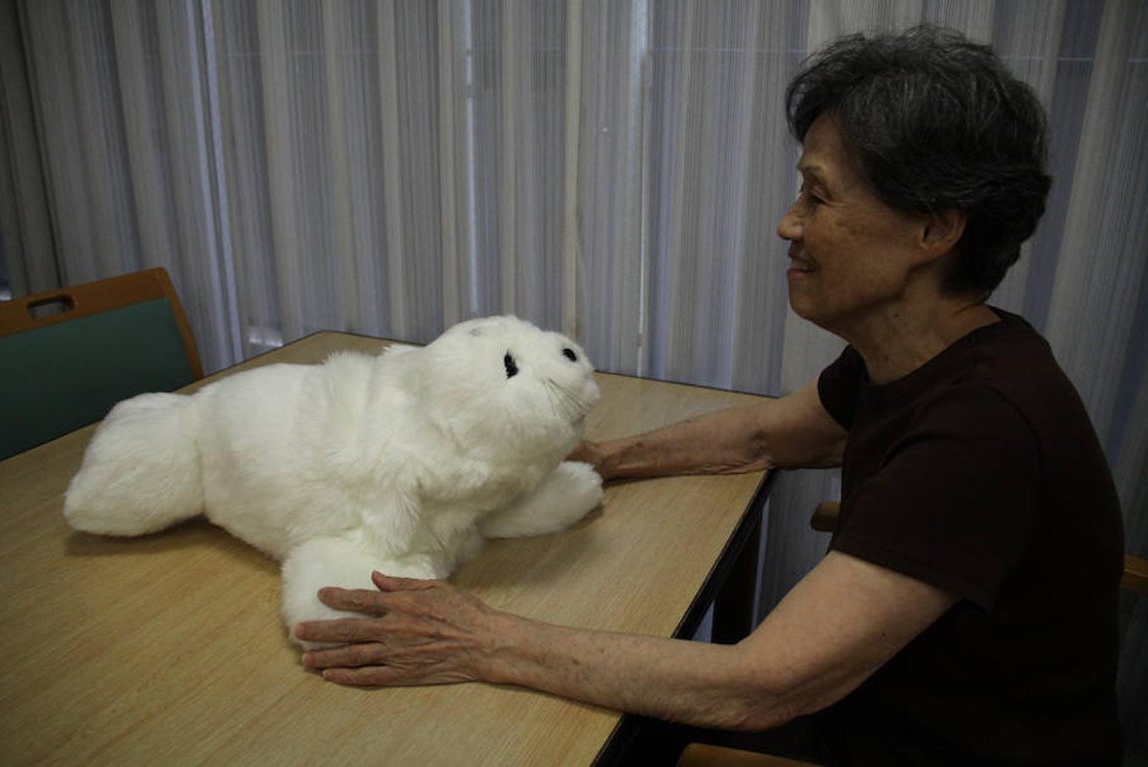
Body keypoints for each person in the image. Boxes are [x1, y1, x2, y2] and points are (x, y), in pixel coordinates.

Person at [295, 26, 1124, 765]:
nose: (788, 224)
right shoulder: (925, 355)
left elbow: (763, 684)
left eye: (818, 195)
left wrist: (480, 636)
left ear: (934, 229)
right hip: (876, 709)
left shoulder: (983, 428)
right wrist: (603, 458)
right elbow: (764, 437)